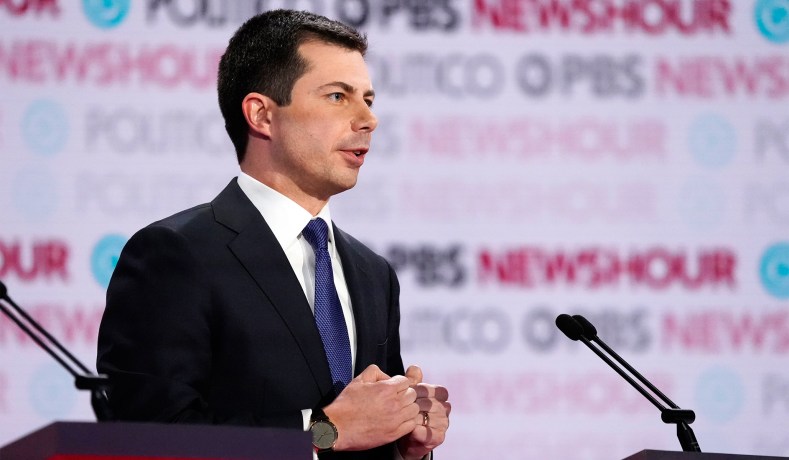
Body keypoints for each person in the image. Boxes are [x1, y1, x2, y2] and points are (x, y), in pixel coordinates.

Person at [96, 8, 450, 460]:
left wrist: (404, 443)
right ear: (262, 115)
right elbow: (152, 436)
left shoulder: (372, 274)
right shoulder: (176, 254)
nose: (368, 119)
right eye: (338, 96)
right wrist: (325, 431)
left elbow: (363, 435)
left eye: (369, 99)